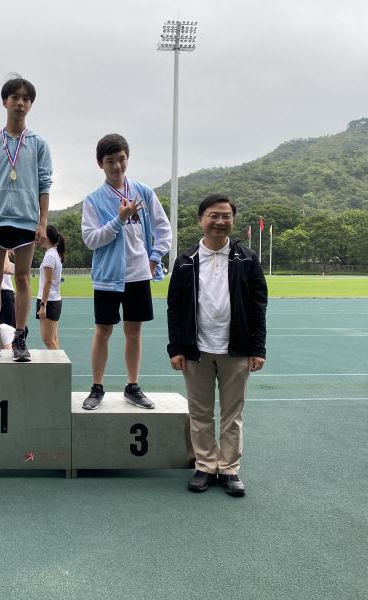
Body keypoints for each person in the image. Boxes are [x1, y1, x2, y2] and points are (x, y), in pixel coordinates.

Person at [167, 194, 268, 497]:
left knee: (231, 414)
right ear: (201, 219)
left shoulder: (247, 259)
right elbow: (175, 307)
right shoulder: (186, 261)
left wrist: (258, 349)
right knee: (199, 413)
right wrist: (176, 348)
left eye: (226, 216)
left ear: (232, 221)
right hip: (196, 349)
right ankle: (205, 466)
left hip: (235, 349)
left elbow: (258, 306)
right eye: (214, 215)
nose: (220, 222)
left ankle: (229, 470)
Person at [81, 134, 172, 410]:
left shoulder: (143, 192)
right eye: (110, 161)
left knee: (134, 331)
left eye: (121, 159)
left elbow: (163, 229)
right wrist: (119, 219)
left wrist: (154, 258)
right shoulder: (94, 200)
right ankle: (97, 388)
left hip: (138, 275)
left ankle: (132, 386)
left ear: (127, 158)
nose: (117, 167)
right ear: (100, 164)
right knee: (103, 330)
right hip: (108, 277)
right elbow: (91, 239)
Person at [0, 75, 52, 362]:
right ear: (5, 102)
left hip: (26, 219)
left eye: (26, 99)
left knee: (22, 278)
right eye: (15, 97)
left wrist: (42, 222)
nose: (20, 103)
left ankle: (20, 338)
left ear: (30, 105)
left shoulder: (38, 144)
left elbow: (44, 184)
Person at [36, 224, 65, 349]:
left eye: (41, 234)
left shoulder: (50, 256)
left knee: (48, 339)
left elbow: (48, 282)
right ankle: (59, 366)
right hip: (53, 300)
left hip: (49, 301)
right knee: (53, 339)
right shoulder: (54, 254)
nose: (39, 237)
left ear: (46, 237)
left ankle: (58, 367)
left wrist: (43, 305)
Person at [0, 250, 16, 327]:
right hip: (5, 293)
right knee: (8, 326)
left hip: (6, 293)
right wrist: (5, 251)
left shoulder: (1, 257)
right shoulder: (1, 255)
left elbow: (15, 269)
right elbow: (7, 270)